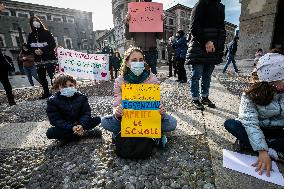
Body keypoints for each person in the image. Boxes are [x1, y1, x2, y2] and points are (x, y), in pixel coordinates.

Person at [224, 52, 284, 177]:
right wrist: (262, 151)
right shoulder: (250, 95)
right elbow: (250, 122)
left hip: (277, 131)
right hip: (256, 128)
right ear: (272, 81)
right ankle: (270, 148)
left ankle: (251, 144)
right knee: (231, 124)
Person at [101, 47, 177, 136]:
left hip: (149, 118)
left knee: (172, 123)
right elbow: (117, 103)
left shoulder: (152, 78)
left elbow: (157, 102)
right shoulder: (120, 81)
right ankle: (140, 131)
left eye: (141, 60)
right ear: (127, 62)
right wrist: (117, 113)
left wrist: (161, 112)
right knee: (104, 122)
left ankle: (135, 131)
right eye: (134, 60)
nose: (138, 63)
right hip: (128, 118)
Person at [186, 0, 226, 110]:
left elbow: (221, 29)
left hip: (214, 47)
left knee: (207, 75)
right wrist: (206, 41)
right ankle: (195, 98)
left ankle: (204, 97)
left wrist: (220, 49)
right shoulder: (201, 3)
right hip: (199, 46)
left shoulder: (221, 6)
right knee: (196, 75)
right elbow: (193, 26)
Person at [46, 73, 102, 140]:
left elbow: (86, 113)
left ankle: (70, 136)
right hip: (65, 126)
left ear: (75, 85)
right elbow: (55, 120)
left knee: (97, 119)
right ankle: (83, 133)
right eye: (64, 86)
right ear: (58, 87)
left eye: (70, 85)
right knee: (50, 133)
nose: (68, 88)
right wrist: (71, 127)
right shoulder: (52, 101)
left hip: (79, 123)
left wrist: (81, 124)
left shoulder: (81, 97)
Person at [125, 0, 164, 75]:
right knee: (138, 76)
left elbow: (160, 36)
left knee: (152, 76)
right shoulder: (134, 13)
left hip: (152, 52)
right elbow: (128, 36)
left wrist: (161, 23)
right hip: (138, 53)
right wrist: (127, 23)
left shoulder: (155, 14)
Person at [27, 16, 57, 99]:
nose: (35, 22)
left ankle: (56, 91)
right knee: (41, 77)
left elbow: (52, 44)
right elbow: (29, 46)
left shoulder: (46, 32)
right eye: (33, 21)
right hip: (38, 59)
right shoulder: (31, 35)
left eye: (36, 20)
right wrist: (34, 51)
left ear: (40, 22)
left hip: (48, 57)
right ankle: (46, 92)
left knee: (52, 76)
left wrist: (42, 50)